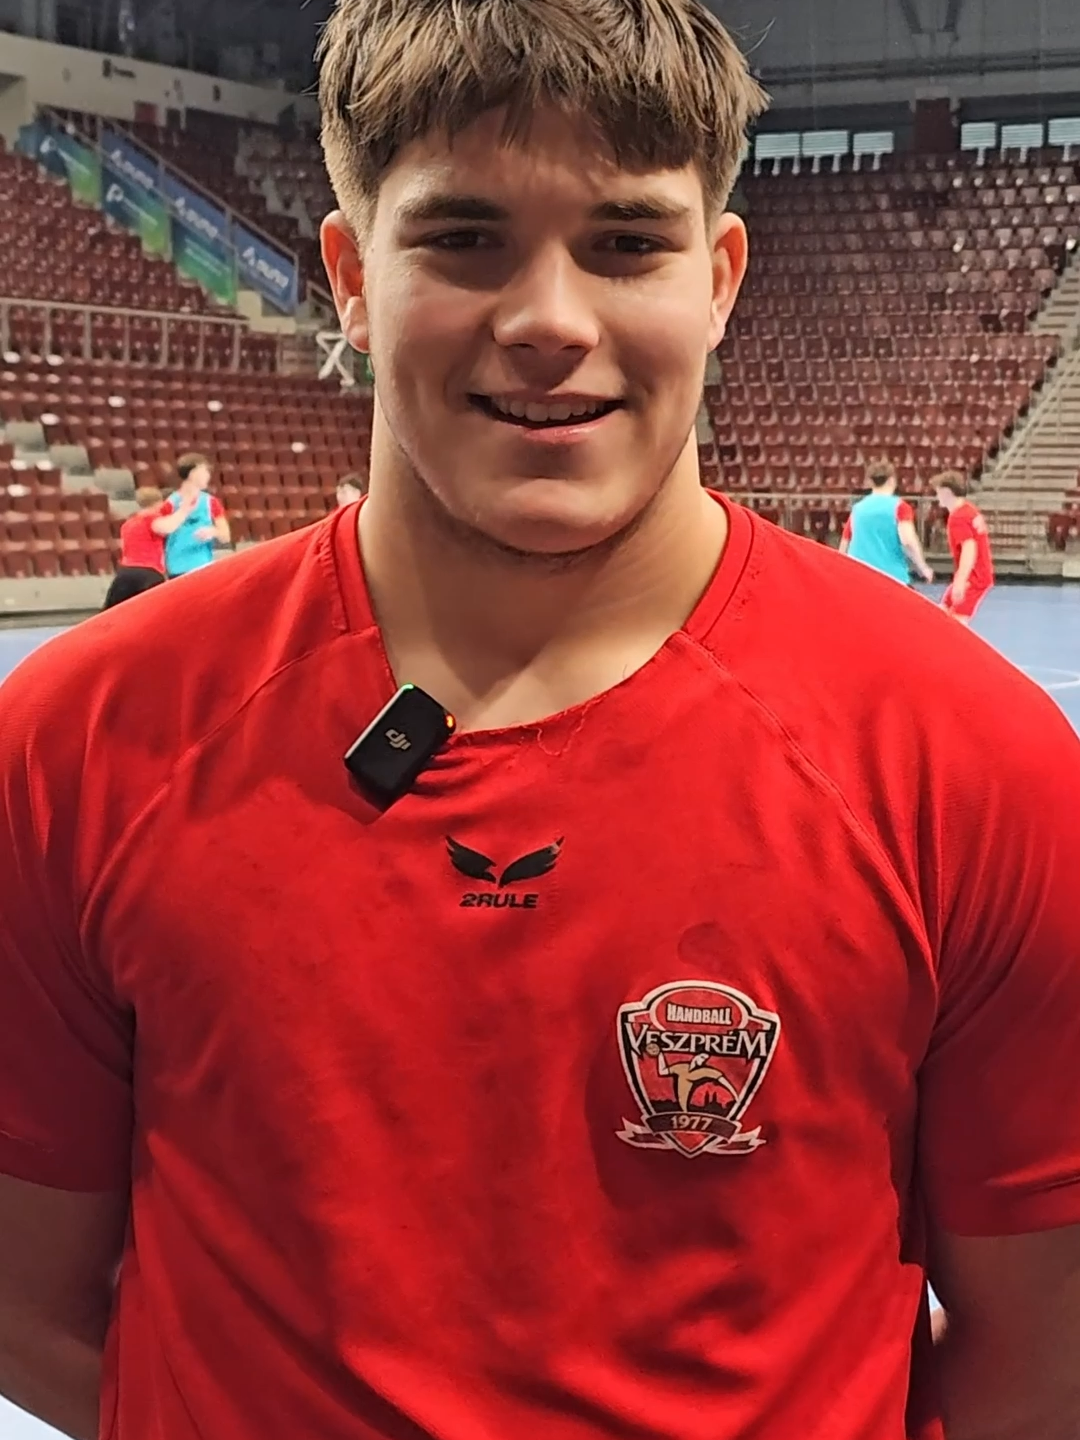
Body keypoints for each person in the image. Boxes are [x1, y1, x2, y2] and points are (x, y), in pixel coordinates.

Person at [0, 4, 1078, 1440]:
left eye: (627, 244)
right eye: (464, 239)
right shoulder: (80, 742)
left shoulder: (976, 764)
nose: (549, 321)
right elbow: (29, 1301)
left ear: (720, 279)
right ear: (351, 278)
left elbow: (1042, 1352)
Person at [839, 459, 934, 585]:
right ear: (892, 480)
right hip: (891, 575)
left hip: (859, 575)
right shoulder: (900, 507)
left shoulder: (857, 509)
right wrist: (922, 567)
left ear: (870, 482)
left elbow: (845, 543)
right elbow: (907, 541)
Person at [101, 486, 195, 609]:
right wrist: (184, 511)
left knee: (114, 611)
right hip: (148, 572)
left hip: (125, 573)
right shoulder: (152, 519)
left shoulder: (129, 523)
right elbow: (167, 527)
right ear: (159, 503)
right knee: (155, 611)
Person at [935, 470, 995, 626]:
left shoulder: (958, 517)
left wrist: (961, 580)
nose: (937, 497)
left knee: (956, 622)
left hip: (974, 578)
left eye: (938, 493)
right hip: (976, 574)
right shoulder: (968, 509)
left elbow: (969, 548)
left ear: (947, 492)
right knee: (943, 610)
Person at [163, 452, 231, 578]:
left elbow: (226, 536)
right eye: (205, 471)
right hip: (176, 567)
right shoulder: (170, 502)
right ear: (192, 472)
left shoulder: (211, 502)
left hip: (202, 565)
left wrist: (213, 531)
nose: (208, 475)